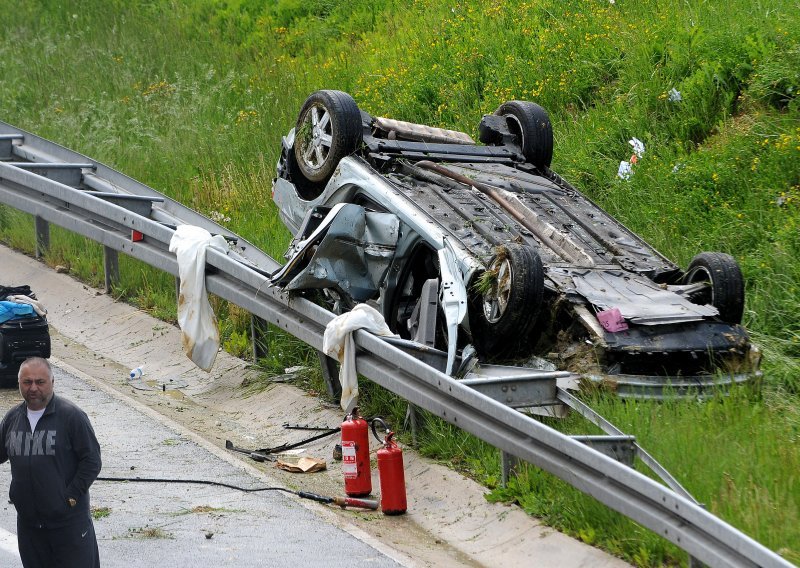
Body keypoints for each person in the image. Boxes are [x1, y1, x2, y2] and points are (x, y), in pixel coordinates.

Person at [0, 357, 102, 567]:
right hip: (29, 527)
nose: (33, 388)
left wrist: (71, 496)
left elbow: (92, 460)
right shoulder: (12, 419)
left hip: (68, 526)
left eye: (40, 382)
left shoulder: (71, 416)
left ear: (52, 382)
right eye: (27, 382)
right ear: (19, 383)